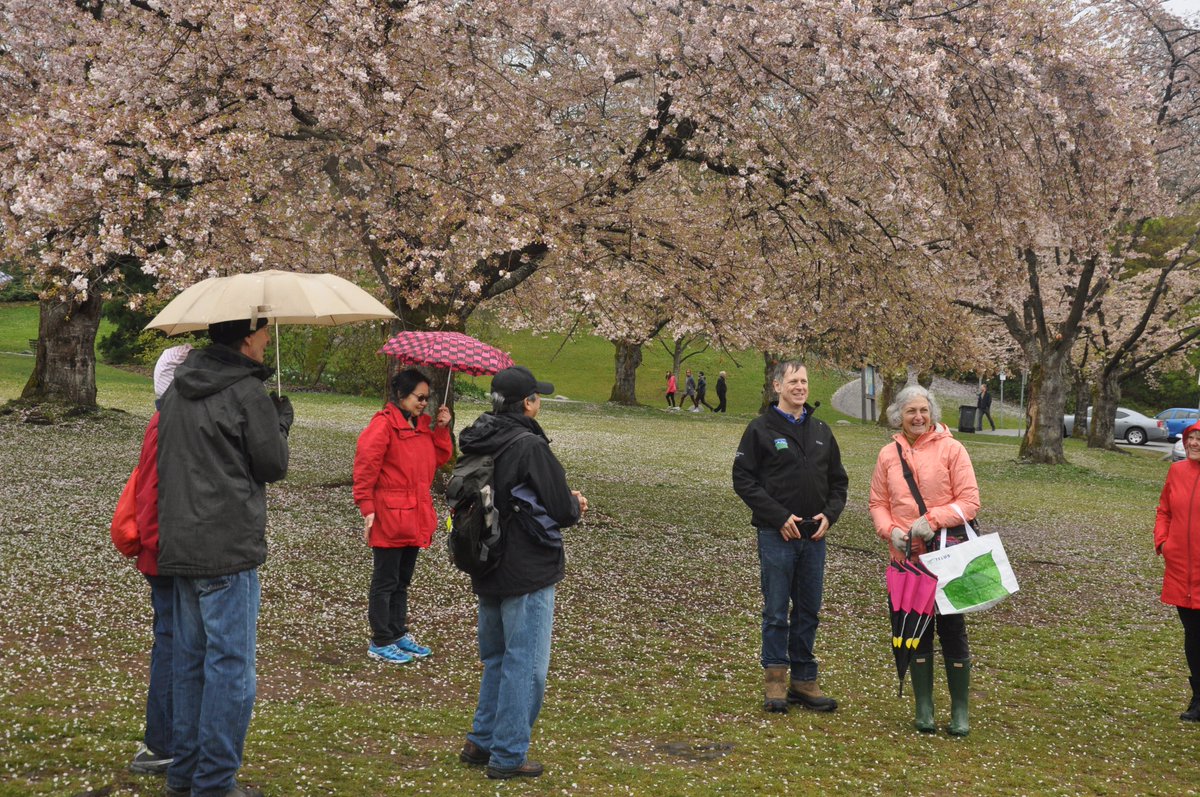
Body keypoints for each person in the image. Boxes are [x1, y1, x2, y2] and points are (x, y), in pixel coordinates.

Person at [157, 318, 293, 797]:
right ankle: (214, 782)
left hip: (180, 543)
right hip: (226, 548)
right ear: (247, 337)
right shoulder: (246, 393)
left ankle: (185, 774)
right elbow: (272, 464)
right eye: (263, 333)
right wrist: (278, 423)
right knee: (230, 668)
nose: (266, 340)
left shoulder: (177, 389)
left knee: (191, 663)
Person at [457, 366, 586, 780]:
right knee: (526, 663)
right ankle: (509, 752)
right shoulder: (529, 444)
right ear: (527, 403)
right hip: (526, 565)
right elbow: (561, 509)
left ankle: (482, 740)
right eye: (537, 397)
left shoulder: (478, 436)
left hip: (486, 558)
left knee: (496, 657)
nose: (540, 402)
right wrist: (574, 503)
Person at [732, 360, 847, 714]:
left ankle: (804, 680)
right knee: (777, 610)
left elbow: (838, 482)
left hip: (814, 538)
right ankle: (776, 681)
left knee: (809, 610)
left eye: (805, 381)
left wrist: (830, 515)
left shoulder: (822, 431)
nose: (800, 387)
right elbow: (744, 480)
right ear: (777, 385)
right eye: (794, 381)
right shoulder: (760, 429)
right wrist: (779, 516)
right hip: (777, 534)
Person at [869, 385, 980, 736]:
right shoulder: (888, 454)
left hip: (946, 557)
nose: (918, 417)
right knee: (913, 632)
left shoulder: (953, 449)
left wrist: (932, 520)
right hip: (906, 560)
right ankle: (924, 706)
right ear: (897, 416)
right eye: (910, 411)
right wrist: (891, 531)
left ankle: (960, 710)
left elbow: (970, 502)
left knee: (952, 630)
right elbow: (878, 503)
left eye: (923, 410)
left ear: (932, 412)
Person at [120, 345, 190, 777]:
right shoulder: (168, 425)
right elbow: (154, 498)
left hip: (162, 553)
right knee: (173, 646)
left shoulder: (163, 422)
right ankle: (163, 742)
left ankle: (165, 740)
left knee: (171, 644)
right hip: (168, 556)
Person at [353, 368, 453, 664]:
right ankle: (381, 639)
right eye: (419, 397)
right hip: (390, 516)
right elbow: (365, 468)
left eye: (427, 398)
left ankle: (397, 632)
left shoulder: (422, 426)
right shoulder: (383, 426)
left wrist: (442, 428)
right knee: (385, 580)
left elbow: (439, 458)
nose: (424, 403)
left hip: (415, 514)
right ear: (401, 395)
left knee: (402, 580)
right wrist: (366, 507)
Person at [1153, 420, 1200, 723]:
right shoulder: (1177, 471)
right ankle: (1198, 697)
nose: (1194, 443)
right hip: (1181, 567)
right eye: (1190, 438)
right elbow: (1164, 510)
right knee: (1193, 635)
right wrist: (1163, 542)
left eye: (1199, 439)